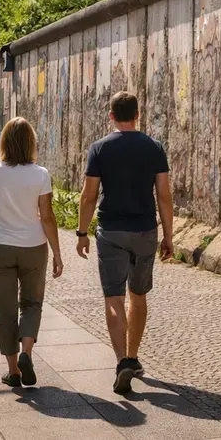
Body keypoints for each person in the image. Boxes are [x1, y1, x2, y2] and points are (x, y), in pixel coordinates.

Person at [76, 91, 174, 393]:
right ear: (138, 114)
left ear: (111, 115)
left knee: (114, 298)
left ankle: (122, 361)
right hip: (145, 230)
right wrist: (169, 234)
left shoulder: (99, 148)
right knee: (139, 295)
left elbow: (89, 194)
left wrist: (81, 232)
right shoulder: (154, 147)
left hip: (112, 231)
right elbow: (164, 194)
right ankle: (133, 356)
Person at [0, 117, 63, 387]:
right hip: (34, 247)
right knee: (32, 303)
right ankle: (27, 352)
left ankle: (13, 371)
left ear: (3, 142)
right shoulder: (40, 174)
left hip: (1, 245)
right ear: (30, 143)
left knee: (5, 309)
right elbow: (47, 217)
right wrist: (57, 253)